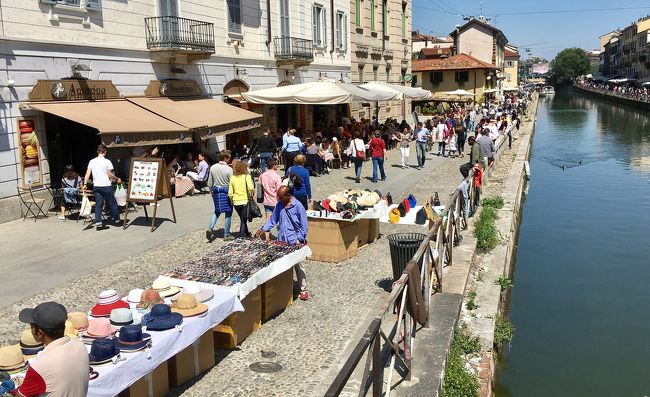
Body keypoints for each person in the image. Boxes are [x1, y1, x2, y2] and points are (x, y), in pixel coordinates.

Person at [13, 302, 89, 396]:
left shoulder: (39, 367)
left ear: (40, 333)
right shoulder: (80, 345)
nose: (31, 330)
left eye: (32, 326)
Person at [255, 186, 309, 300]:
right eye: (278, 197)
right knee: (284, 264)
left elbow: (304, 225)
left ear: (288, 196)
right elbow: (273, 220)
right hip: (282, 240)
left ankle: (303, 289)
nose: (278, 199)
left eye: (280, 197)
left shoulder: (298, 206)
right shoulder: (279, 205)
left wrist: (301, 239)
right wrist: (263, 229)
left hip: (295, 240)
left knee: (299, 265)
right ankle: (287, 288)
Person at [82, 144, 121, 231]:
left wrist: (85, 184)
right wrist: (117, 179)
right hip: (106, 185)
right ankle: (117, 221)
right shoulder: (107, 161)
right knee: (112, 203)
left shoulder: (92, 161)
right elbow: (109, 174)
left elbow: (87, 173)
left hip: (97, 186)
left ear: (97, 151)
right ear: (105, 152)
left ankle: (99, 224)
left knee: (98, 205)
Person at [207, 151, 234, 242]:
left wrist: (211, 191)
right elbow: (232, 183)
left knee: (217, 211)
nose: (229, 159)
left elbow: (209, 182)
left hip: (216, 192)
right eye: (229, 157)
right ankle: (226, 234)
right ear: (225, 158)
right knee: (228, 213)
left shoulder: (213, 168)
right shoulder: (229, 169)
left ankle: (210, 227)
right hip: (226, 192)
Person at [228, 160, 255, 238]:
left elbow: (230, 193)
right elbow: (250, 188)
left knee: (242, 218)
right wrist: (253, 192)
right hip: (244, 201)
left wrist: (232, 200)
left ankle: (247, 233)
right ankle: (240, 237)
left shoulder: (233, 178)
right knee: (243, 220)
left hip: (236, 202)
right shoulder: (246, 176)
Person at [259, 158, 282, 240]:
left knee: (268, 220)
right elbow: (279, 190)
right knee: (280, 220)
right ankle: (280, 237)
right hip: (276, 201)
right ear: (274, 165)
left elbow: (259, 187)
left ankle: (267, 237)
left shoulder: (262, 175)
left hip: (266, 201)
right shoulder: (277, 176)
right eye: (276, 164)